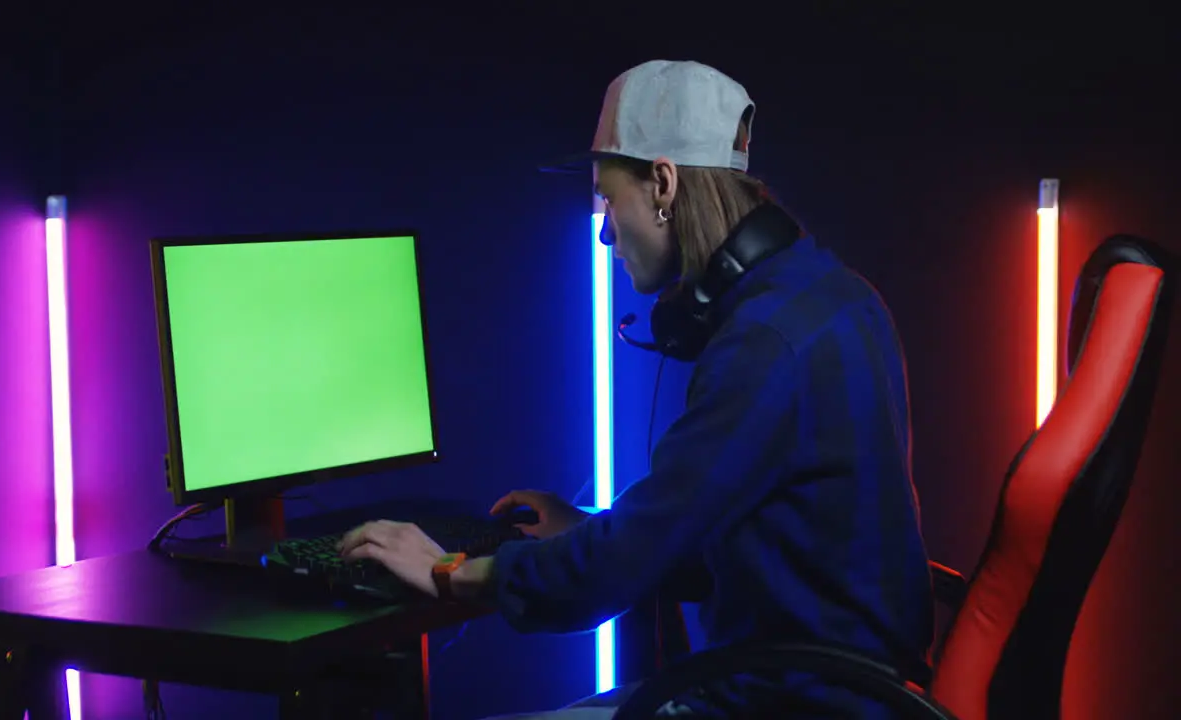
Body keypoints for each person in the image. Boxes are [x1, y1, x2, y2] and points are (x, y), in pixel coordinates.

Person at [338, 60, 934, 718]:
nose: (604, 231)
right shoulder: (836, 298)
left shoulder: (765, 345)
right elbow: (732, 535)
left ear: (663, 183)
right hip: (842, 690)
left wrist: (448, 572)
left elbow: (617, 571)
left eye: (607, 198)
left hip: (787, 702)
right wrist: (588, 530)